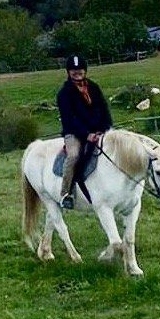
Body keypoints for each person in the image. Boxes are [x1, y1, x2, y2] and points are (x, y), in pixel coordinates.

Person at [56, 54, 112, 208]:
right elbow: (69, 119)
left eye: (80, 70)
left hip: (98, 131)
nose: (77, 73)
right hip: (74, 133)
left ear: (85, 70)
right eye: (73, 71)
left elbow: (104, 109)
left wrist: (103, 128)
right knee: (74, 155)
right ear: (68, 72)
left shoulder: (94, 87)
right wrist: (86, 135)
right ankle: (66, 193)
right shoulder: (64, 93)